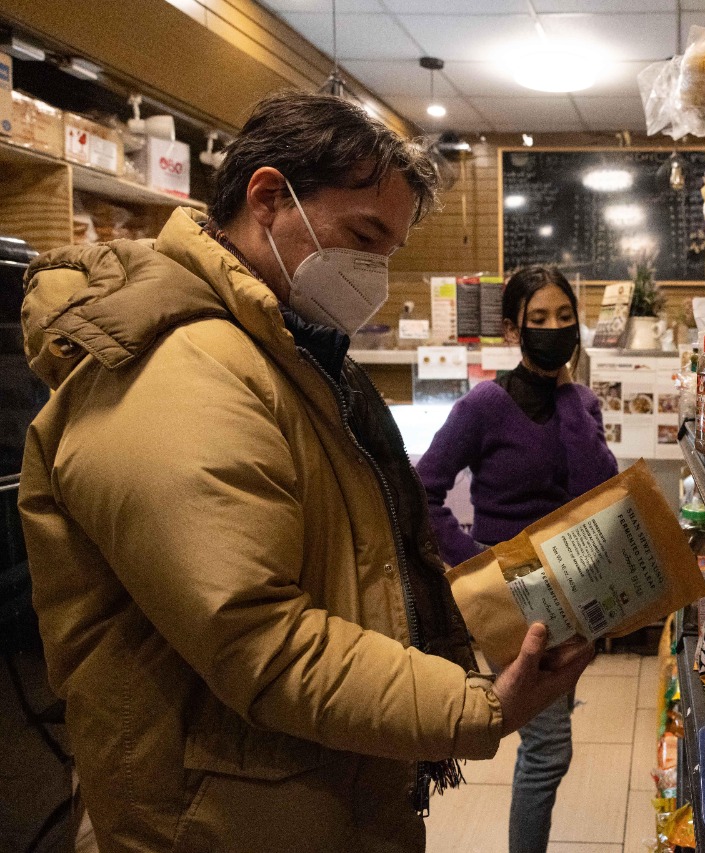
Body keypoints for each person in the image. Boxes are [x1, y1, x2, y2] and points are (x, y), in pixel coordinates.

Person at [17, 92, 593, 853]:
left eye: (389, 252)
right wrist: (476, 705)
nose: (374, 273)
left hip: (302, 794)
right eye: (363, 237)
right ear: (266, 197)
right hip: (214, 819)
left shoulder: (290, 356)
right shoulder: (178, 371)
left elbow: (359, 563)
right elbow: (260, 638)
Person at [415, 265, 619, 853]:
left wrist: (572, 404)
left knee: (547, 734)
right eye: (539, 320)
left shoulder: (580, 402)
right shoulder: (484, 406)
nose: (555, 328)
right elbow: (423, 489)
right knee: (549, 751)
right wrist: (476, 561)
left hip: (573, 588)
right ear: (512, 330)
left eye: (564, 317)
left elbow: (596, 493)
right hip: (515, 593)